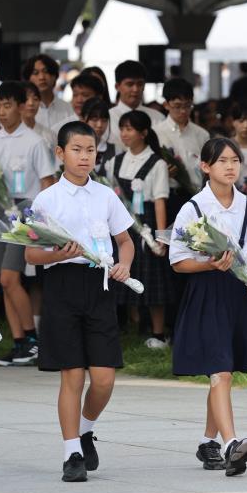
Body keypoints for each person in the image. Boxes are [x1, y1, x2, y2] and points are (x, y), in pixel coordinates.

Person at [26, 121, 134, 482]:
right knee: (72, 374)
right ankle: (71, 452)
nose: (85, 156)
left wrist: (124, 264)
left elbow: (126, 240)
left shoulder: (105, 196)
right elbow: (31, 254)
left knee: (103, 378)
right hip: (62, 286)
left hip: (100, 286)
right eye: (77, 150)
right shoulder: (47, 199)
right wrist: (58, 255)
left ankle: (86, 428)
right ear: (60, 154)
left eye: (90, 150)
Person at [170, 137, 247, 476]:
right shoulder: (193, 208)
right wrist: (211, 265)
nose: (230, 166)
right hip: (206, 293)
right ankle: (231, 443)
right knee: (220, 370)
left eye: (235, 160)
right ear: (205, 166)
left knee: (222, 370)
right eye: (222, 161)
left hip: (238, 294)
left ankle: (208, 443)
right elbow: (179, 262)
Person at [0, 81, 57, 367]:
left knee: (9, 278)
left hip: (26, 210)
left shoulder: (35, 142)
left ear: (20, 105)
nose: (2, 112)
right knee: (3, 282)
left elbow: (47, 183)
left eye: (7, 105)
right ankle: (19, 344)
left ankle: (32, 340)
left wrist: (40, 223)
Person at [107, 110, 173, 349]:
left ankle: (157, 333)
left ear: (143, 133)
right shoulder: (115, 161)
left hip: (146, 228)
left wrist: (160, 238)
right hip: (120, 227)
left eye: (129, 129)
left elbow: (160, 201)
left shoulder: (157, 163)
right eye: (122, 128)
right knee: (117, 277)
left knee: (153, 280)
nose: (124, 134)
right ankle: (113, 329)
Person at [154, 77, 210, 201]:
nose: (183, 111)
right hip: (168, 196)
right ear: (166, 105)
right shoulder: (156, 133)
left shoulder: (202, 134)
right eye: (177, 106)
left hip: (196, 196)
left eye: (188, 105)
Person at [108, 60, 165, 148]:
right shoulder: (107, 119)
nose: (135, 89)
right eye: (130, 84)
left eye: (140, 84)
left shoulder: (158, 118)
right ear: (117, 87)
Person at [23, 54, 75, 132]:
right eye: (35, 73)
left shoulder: (68, 109)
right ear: (28, 79)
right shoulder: (24, 111)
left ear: (55, 76)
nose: (41, 77)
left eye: (46, 71)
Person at [19, 81, 57, 154]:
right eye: (26, 99)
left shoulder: (50, 135)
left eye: (35, 99)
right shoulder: (10, 135)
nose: (31, 103)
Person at [82, 97, 115, 175]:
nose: (99, 125)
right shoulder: (72, 148)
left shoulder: (115, 150)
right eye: (94, 119)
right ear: (83, 120)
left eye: (104, 120)